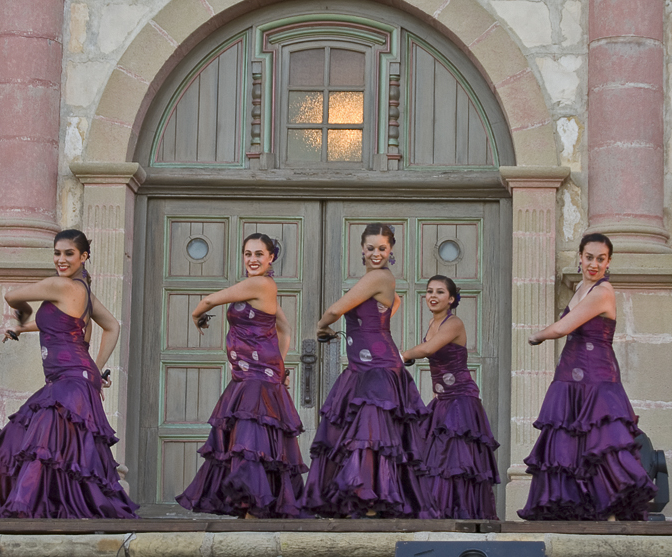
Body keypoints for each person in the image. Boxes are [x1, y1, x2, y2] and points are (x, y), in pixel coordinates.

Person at [0, 229, 138, 518]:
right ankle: (51, 513)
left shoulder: (60, 286)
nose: (61, 259)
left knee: (40, 444)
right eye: (57, 253)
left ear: (84, 257)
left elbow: (12, 295)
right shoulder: (82, 293)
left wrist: (23, 313)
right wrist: (95, 367)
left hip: (69, 382)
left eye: (69, 253)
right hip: (72, 379)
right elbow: (106, 326)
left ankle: (24, 512)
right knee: (60, 450)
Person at [519, 232, 655, 521]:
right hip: (570, 377)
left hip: (597, 377)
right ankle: (576, 508)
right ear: (580, 258)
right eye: (589, 257)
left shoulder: (603, 291)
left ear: (608, 262)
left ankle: (611, 510)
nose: (594, 264)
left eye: (601, 259)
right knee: (568, 444)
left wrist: (535, 336)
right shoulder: (582, 286)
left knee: (602, 443)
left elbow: (562, 328)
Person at [176, 233, 307, 517]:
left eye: (259, 254)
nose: (252, 259)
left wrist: (196, 314)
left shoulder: (260, 283)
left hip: (255, 378)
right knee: (249, 441)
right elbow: (284, 328)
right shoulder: (262, 286)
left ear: (271, 258)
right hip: (250, 375)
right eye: (248, 254)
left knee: (250, 443)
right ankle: (250, 509)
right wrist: (280, 365)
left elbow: (210, 300)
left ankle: (252, 510)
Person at [302, 223, 428, 518]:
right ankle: (364, 504)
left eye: (382, 248)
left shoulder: (379, 277)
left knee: (371, 437)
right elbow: (392, 305)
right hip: (366, 368)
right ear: (362, 249)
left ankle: (371, 505)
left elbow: (336, 309)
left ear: (391, 251)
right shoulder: (378, 280)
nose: (376, 253)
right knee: (364, 436)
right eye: (370, 248)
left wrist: (322, 327)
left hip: (377, 370)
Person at [402, 276, 499, 520]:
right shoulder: (432, 323)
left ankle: (459, 516)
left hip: (462, 401)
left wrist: (399, 356)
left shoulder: (453, 323)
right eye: (429, 291)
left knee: (455, 462)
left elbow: (427, 350)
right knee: (432, 458)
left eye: (440, 292)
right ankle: (437, 515)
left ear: (451, 299)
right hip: (443, 401)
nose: (433, 296)